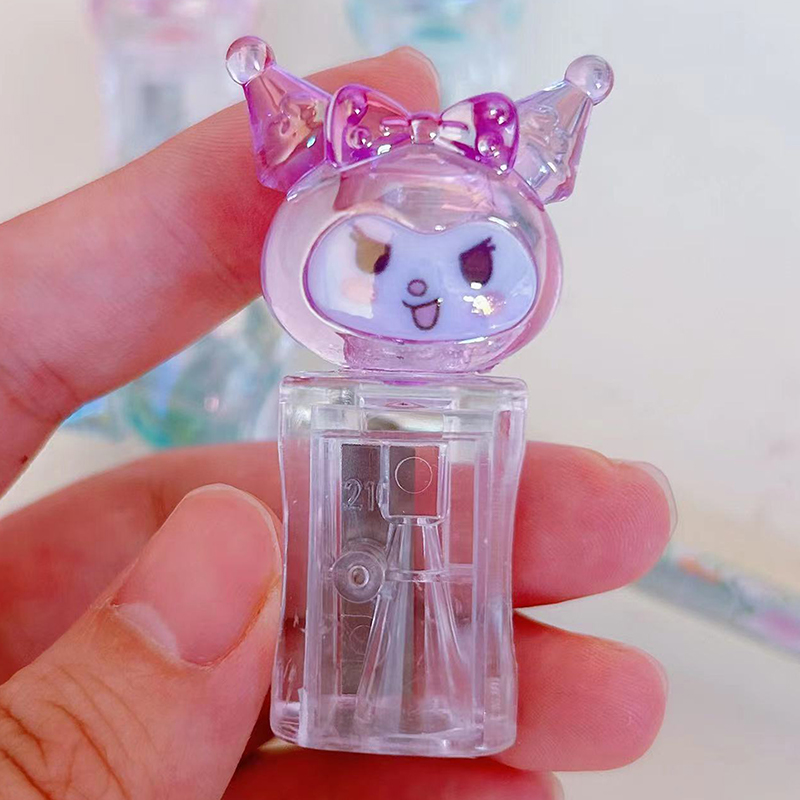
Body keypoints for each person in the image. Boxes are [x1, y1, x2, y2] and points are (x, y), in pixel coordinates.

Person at [0, 48, 674, 800]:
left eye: (474, 266)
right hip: (331, 680)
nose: (420, 290)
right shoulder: (325, 401)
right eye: (377, 260)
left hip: (455, 693)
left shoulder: (481, 407)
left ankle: (437, 697)